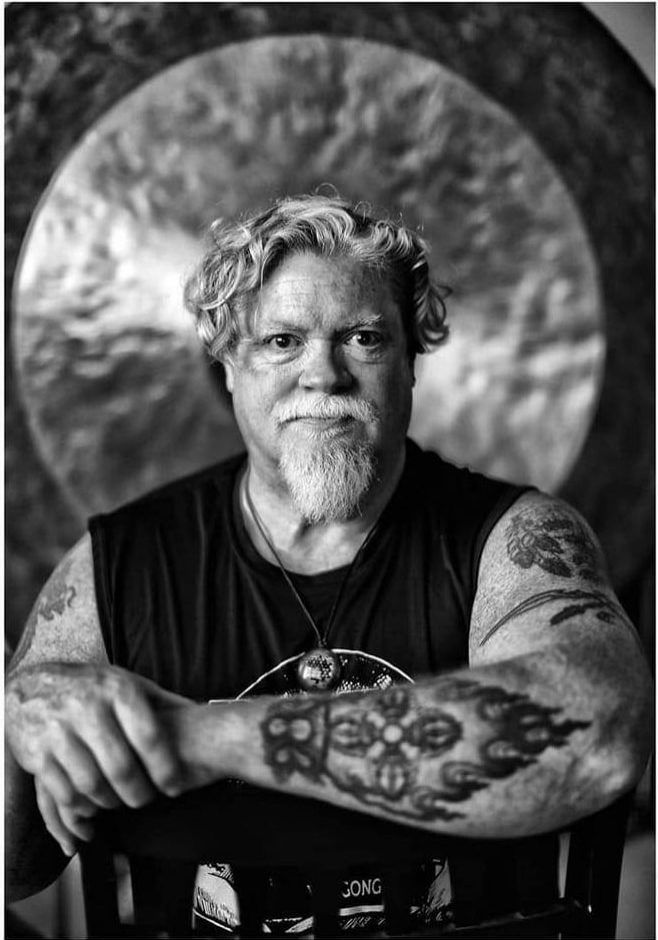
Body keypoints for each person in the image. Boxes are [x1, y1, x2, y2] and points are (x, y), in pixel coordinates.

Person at [6, 194, 651, 932]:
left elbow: (598, 737)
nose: (325, 374)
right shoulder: (118, 566)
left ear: (413, 360)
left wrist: (192, 736)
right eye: (282, 341)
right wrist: (22, 708)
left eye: (364, 338)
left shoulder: (514, 539)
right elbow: (12, 866)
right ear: (228, 365)